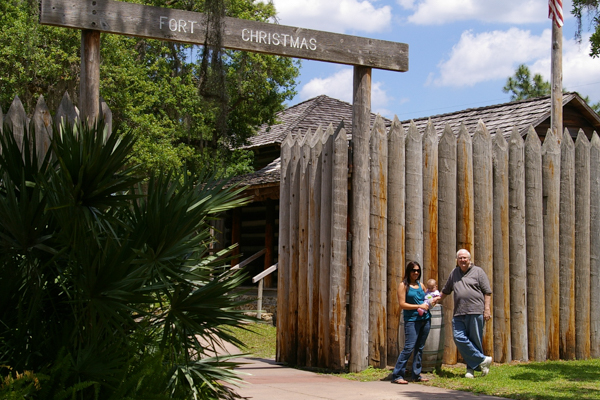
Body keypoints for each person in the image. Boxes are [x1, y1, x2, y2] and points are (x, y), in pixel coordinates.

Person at [435, 249, 493, 378]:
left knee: (475, 340)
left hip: (476, 311)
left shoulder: (478, 272)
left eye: (465, 258)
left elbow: (487, 292)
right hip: (459, 312)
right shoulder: (454, 273)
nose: (462, 260)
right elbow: (446, 291)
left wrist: (487, 309)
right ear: (457, 260)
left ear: (469, 259)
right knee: (458, 337)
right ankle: (482, 360)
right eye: (460, 258)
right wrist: (435, 299)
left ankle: (470, 370)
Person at [391, 261, 431, 384]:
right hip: (412, 321)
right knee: (409, 347)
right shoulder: (403, 285)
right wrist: (419, 305)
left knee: (419, 348)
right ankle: (397, 375)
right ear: (408, 271)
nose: (416, 273)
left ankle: (416, 374)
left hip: (425, 319)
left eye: (418, 271)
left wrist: (432, 300)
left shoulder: (421, 285)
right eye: (413, 270)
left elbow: (427, 298)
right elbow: (402, 304)